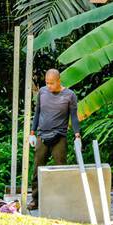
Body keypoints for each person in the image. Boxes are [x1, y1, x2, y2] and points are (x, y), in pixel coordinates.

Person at [28, 68, 81, 209]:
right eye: (47, 82)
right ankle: (35, 200)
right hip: (42, 135)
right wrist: (32, 133)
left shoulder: (70, 95)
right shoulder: (42, 92)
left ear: (59, 81)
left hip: (59, 137)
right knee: (37, 169)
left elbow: (74, 117)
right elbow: (37, 112)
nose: (49, 86)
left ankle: (62, 200)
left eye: (52, 83)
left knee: (61, 169)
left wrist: (77, 135)